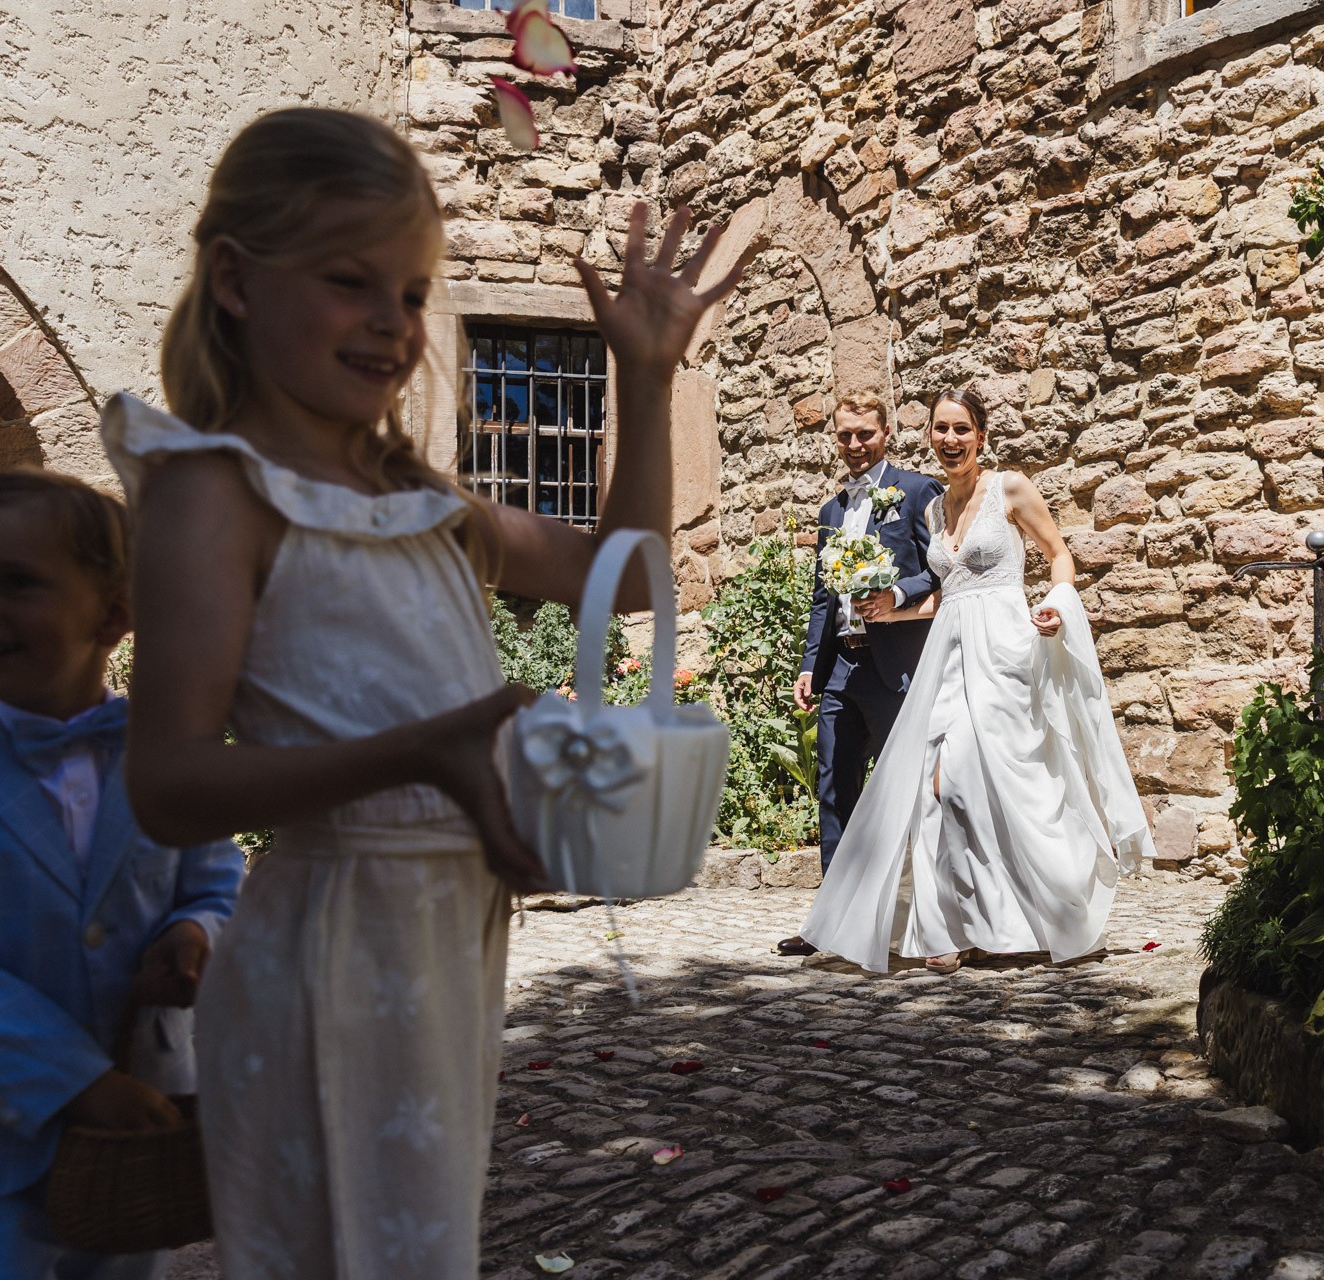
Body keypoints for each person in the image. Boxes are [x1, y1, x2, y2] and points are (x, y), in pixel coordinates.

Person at [104, 108, 742, 1279]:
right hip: (329, 956)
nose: (394, 324)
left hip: (442, 950)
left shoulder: (426, 502)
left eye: (411, 293)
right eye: (350, 282)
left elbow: (626, 571)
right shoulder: (217, 490)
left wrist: (647, 378)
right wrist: (424, 751)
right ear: (236, 280)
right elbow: (167, 782)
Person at [0, 470, 244, 1280]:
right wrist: (74, 1081)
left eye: (16, 582)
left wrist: (194, 931)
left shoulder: (168, 757)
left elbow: (215, 880)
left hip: (141, 1121)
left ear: (114, 615)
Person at [794, 389, 1153, 973]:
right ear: (929, 436)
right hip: (949, 654)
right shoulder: (935, 511)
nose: (951, 439)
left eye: (961, 429)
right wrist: (891, 610)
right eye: (941, 429)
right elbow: (947, 593)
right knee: (939, 787)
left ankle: (1044, 914)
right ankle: (952, 928)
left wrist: (1057, 603)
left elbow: (1059, 554)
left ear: (980, 435)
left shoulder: (1010, 488)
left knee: (1007, 784)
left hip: (1005, 650)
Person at [775, 393, 944, 957]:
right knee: (833, 785)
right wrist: (810, 666)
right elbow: (822, 599)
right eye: (845, 435)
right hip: (843, 665)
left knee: (912, 790)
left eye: (864, 434)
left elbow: (940, 571)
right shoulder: (830, 511)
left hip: (897, 664)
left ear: (886, 433)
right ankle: (832, 923)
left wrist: (895, 594)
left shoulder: (916, 491)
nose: (854, 445)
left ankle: (927, 920)